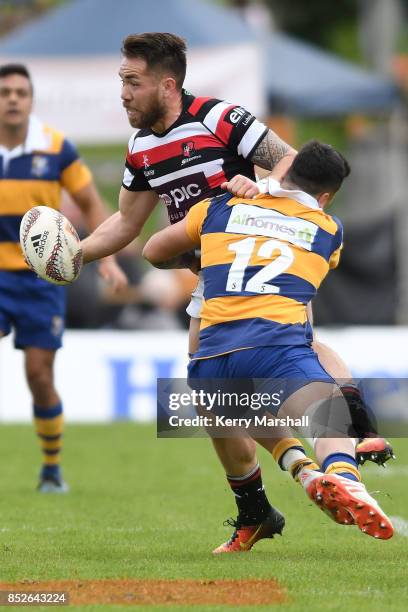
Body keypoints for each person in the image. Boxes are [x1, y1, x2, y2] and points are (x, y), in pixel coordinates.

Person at [80, 33, 389, 546]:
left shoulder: (221, 119)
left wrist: (261, 187)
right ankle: (273, 497)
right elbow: (127, 223)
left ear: (167, 83)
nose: (124, 93)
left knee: (289, 351)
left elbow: (289, 162)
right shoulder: (140, 147)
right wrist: (77, 254)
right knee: (216, 399)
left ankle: (347, 437)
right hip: (212, 270)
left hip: (257, 254)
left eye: (132, 82)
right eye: (121, 82)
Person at [142, 140, 394, 549]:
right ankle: (346, 474)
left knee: (226, 404)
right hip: (276, 346)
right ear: (326, 196)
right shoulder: (328, 229)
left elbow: (153, 251)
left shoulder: (218, 206)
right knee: (326, 409)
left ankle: (298, 474)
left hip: (211, 359)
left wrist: (204, 251)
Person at [0, 63, 127, 492]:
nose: (13, 99)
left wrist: (106, 257)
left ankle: (51, 468)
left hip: (39, 281)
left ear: (31, 100)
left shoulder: (55, 147)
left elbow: (90, 202)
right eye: (5, 92)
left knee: (39, 374)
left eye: (20, 92)